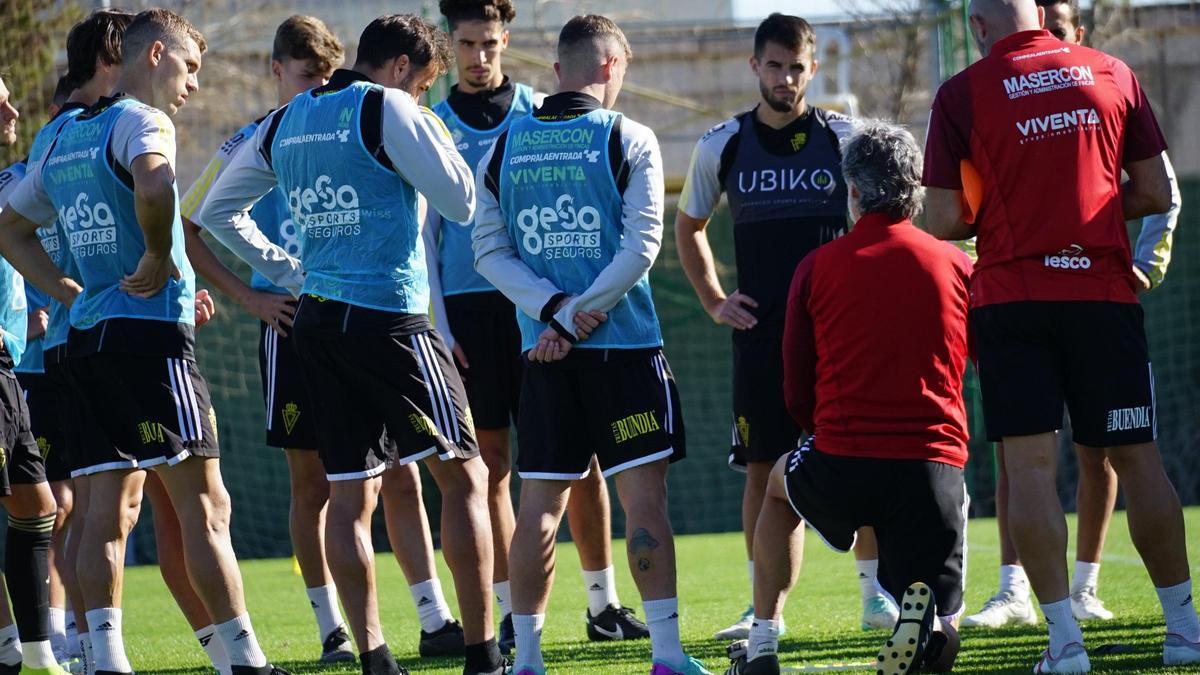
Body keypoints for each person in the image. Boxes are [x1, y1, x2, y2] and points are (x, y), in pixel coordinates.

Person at [199, 14, 504, 675]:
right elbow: (459, 202)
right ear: (400, 69)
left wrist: (289, 271)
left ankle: (374, 656)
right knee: (464, 476)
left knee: (349, 493)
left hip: (317, 324)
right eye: (424, 83)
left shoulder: (284, 121)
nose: (422, 95)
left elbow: (218, 212)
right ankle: (483, 652)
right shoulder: (390, 107)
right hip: (390, 320)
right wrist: (434, 134)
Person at [0, 10, 287, 675]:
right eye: (188, 67)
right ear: (155, 55)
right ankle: (245, 661)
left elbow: (10, 228)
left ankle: (106, 658)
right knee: (207, 506)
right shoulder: (142, 121)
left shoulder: (59, 135)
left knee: (103, 510)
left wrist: (66, 289)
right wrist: (158, 253)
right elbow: (156, 183)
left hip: (83, 344)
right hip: (149, 338)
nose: (191, 84)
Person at [923, 0, 1198, 670]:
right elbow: (1160, 190)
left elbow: (938, 218)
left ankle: (1066, 643)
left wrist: (1007, 211)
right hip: (1102, 295)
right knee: (1139, 458)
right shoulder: (1110, 70)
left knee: (1031, 470)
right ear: (1043, 13)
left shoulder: (961, 94)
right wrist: (1096, 206)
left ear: (979, 26)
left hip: (1014, 300)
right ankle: (1186, 629)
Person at [472, 14, 709, 675]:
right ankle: (665, 654)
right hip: (624, 349)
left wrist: (553, 312)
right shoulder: (628, 135)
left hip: (544, 352)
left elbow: (487, 253)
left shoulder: (501, 146)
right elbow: (642, 248)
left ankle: (528, 661)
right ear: (611, 68)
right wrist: (582, 312)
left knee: (537, 509)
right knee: (643, 503)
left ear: (557, 72)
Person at [427, 0, 649, 652]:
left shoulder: (538, 111)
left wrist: (561, 303)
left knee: (582, 464)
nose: (478, 57)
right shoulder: (432, 124)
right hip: (472, 313)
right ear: (450, 44)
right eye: (466, 44)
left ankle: (604, 602)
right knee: (493, 464)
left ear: (506, 41)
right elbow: (427, 236)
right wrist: (440, 324)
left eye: (489, 43)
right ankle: (508, 610)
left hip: (548, 301)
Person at [674, 12, 897, 638]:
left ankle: (874, 594)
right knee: (762, 469)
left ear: (813, 69)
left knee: (864, 455)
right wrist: (716, 300)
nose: (786, 77)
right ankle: (760, 606)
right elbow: (687, 227)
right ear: (755, 66)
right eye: (774, 64)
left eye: (797, 66)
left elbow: (890, 217)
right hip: (763, 339)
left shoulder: (847, 138)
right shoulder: (723, 143)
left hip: (841, 335)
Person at [725, 119, 969, 675]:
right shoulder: (956, 265)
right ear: (917, 189)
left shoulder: (818, 266)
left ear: (853, 191)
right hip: (933, 465)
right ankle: (931, 624)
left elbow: (794, 380)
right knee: (945, 620)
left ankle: (762, 641)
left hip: (843, 458)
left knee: (778, 486)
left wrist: (819, 431)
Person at [0, 74, 70, 675]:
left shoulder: (12, 189)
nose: (11, 108)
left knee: (39, 503)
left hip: (12, 366)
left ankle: (32, 650)